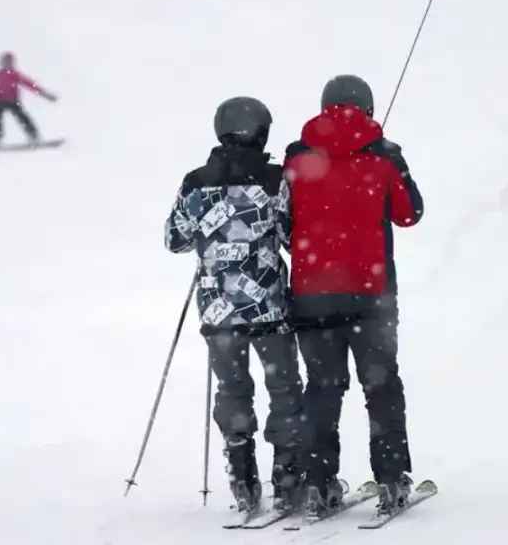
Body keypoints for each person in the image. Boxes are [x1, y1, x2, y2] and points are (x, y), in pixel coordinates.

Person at [283, 74, 424, 516]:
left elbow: (282, 223)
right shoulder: (382, 156)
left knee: (322, 389)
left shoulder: (296, 159)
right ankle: (391, 480)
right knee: (380, 387)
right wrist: (391, 166)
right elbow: (409, 214)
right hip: (371, 293)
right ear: (367, 106)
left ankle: (318, 483)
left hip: (311, 295)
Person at [164, 96, 310, 516]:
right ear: (261, 129)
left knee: (233, 389)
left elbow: (175, 239)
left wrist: (212, 238)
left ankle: (241, 471)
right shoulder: (272, 179)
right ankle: (287, 474)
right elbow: (289, 233)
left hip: (217, 311)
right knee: (283, 389)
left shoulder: (194, 182)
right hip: (268, 307)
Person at [0, 51, 57, 148]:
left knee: (23, 118)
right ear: (2, 62)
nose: (8, 64)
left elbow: (29, 84)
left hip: (13, 101)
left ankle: (33, 136)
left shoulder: (15, 74)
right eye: (6, 61)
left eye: (9, 62)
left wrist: (44, 93)